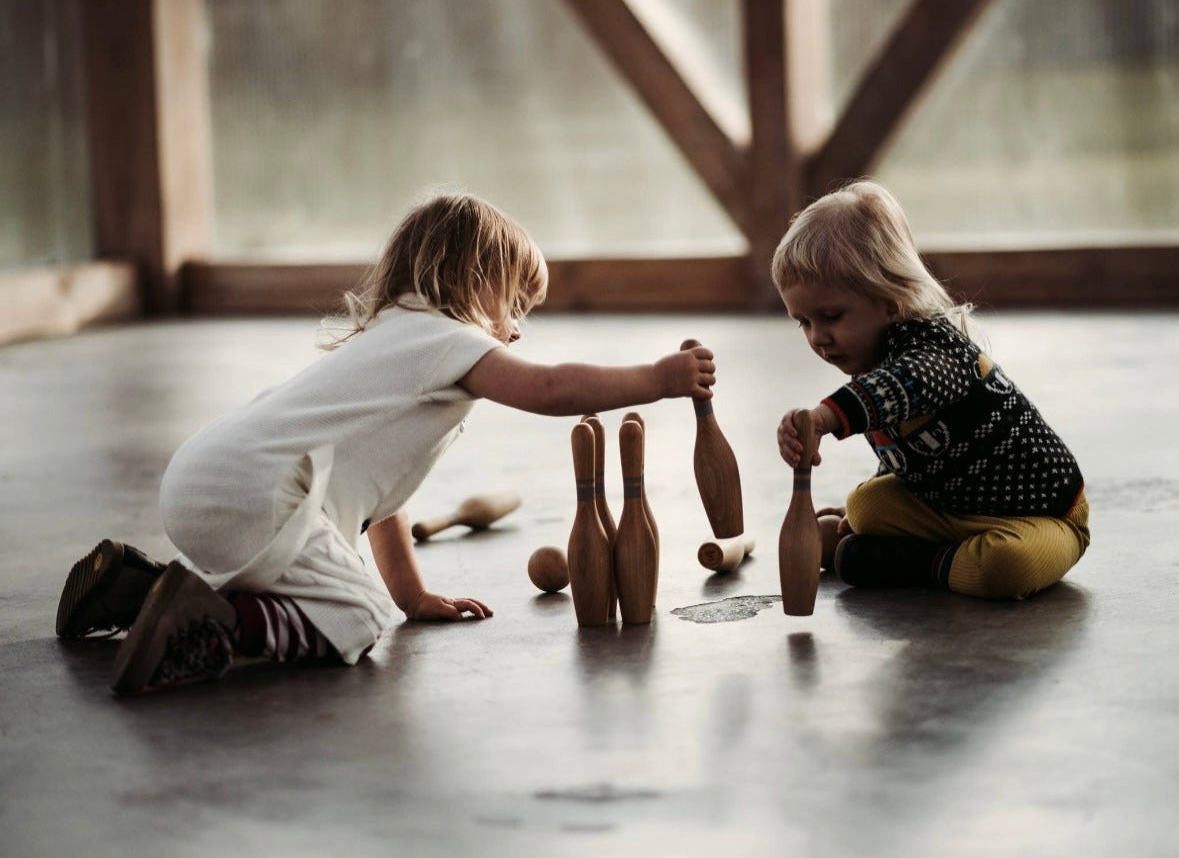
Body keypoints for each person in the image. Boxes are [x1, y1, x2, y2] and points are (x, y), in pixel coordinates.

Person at [57, 192, 717, 695]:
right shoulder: (446, 339)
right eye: (513, 303)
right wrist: (654, 379)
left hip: (205, 475)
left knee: (326, 585)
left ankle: (138, 593)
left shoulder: (390, 337)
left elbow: (383, 501)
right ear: (468, 279)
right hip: (263, 490)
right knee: (355, 613)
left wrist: (415, 595)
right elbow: (548, 389)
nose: (515, 329)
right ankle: (220, 627)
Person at [772, 180, 1089, 599]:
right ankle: (901, 545)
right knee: (868, 505)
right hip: (949, 507)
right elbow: (910, 456)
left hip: (1039, 516)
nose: (818, 338)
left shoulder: (937, 352)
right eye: (804, 323)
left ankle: (918, 563)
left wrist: (826, 416)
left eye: (831, 316)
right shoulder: (870, 363)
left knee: (1008, 567)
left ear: (890, 299)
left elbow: (903, 387)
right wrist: (858, 513)